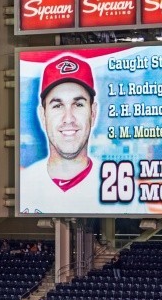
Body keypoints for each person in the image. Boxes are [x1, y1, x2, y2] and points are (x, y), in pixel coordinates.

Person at [19, 52, 107, 213]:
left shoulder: (121, 191)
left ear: (93, 113)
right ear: (43, 116)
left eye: (78, 104)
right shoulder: (23, 186)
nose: (68, 118)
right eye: (57, 106)